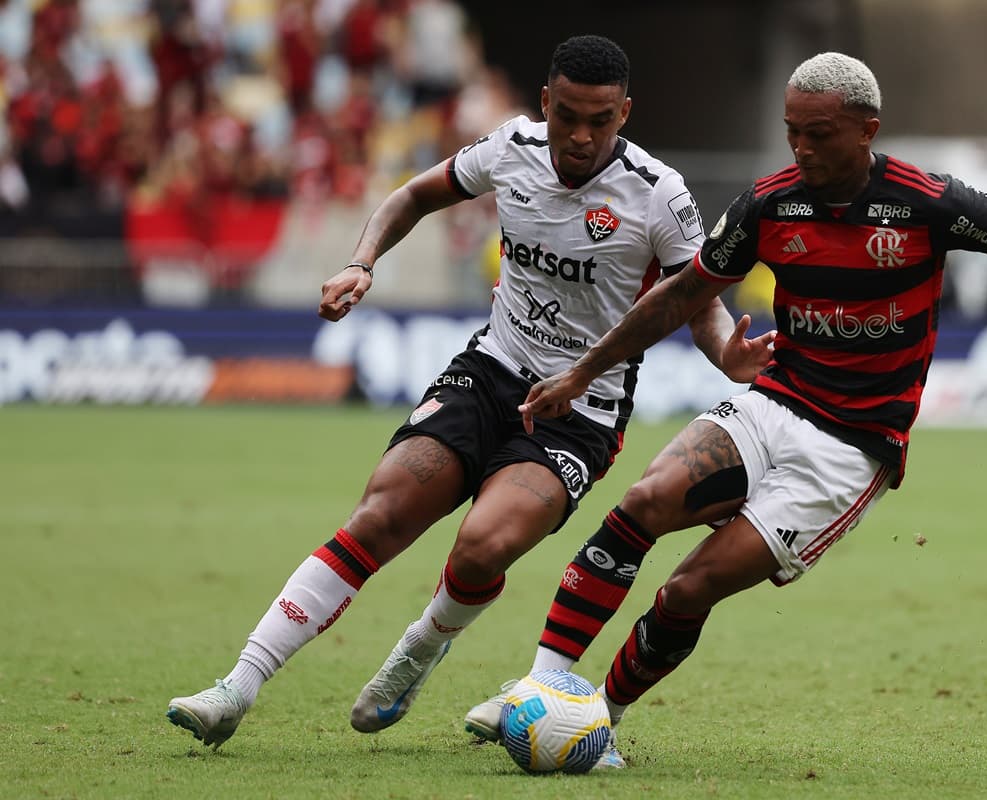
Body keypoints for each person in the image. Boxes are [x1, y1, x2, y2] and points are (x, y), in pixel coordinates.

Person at [462, 51, 987, 764]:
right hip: (775, 402)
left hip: (852, 449)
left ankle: (595, 719)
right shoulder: (770, 204)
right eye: (793, 130)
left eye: (819, 134)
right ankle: (543, 685)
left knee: (688, 589)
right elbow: (682, 295)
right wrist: (583, 370)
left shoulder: (927, 202)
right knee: (645, 501)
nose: (802, 147)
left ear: (867, 130)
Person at [164, 34, 773, 759]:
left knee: (483, 546)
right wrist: (362, 262)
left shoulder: (658, 192)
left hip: (581, 412)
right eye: (569, 115)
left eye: (601, 120)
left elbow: (695, 294)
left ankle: (421, 646)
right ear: (545, 102)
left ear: (625, 114)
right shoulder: (510, 147)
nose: (581, 136)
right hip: (489, 371)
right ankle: (236, 687)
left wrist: (724, 351)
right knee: (381, 512)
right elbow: (414, 195)